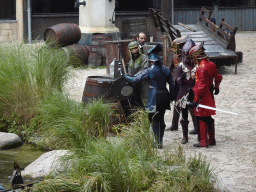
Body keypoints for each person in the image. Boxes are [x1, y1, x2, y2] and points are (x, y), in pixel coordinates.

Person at [124, 44, 174, 149]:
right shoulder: (166, 70)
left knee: (154, 119)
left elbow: (135, 79)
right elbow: (172, 85)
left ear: (151, 61)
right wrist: (172, 97)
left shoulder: (149, 71)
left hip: (153, 97)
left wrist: (126, 76)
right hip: (164, 96)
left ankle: (158, 142)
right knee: (161, 118)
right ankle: (159, 140)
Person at [187, 42, 222, 148]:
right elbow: (218, 77)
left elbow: (200, 86)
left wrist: (195, 100)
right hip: (210, 94)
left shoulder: (201, 68)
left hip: (203, 97)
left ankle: (203, 142)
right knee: (209, 117)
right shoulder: (211, 64)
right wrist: (216, 87)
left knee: (202, 118)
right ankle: (212, 140)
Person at [166, 35, 199, 135]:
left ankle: (196, 127)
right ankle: (174, 124)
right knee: (177, 105)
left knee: (190, 107)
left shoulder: (191, 58)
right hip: (177, 84)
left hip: (188, 85)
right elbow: (170, 69)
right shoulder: (175, 57)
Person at [174, 38, 199, 144]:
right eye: (186, 57)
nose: (188, 59)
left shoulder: (197, 66)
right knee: (184, 115)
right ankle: (185, 136)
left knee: (197, 113)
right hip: (184, 93)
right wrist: (182, 77)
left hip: (194, 92)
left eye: (189, 57)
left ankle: (198, 132)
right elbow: (177, 81)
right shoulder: (181, 66)